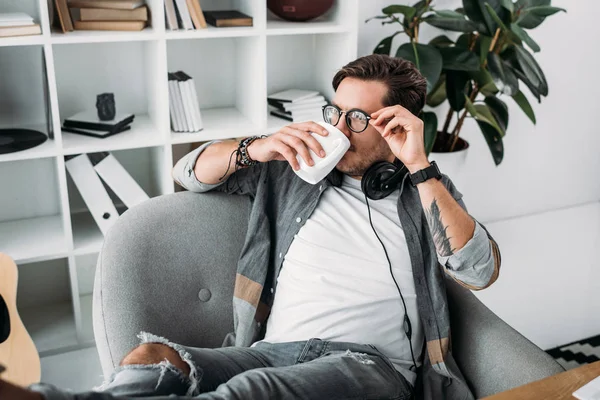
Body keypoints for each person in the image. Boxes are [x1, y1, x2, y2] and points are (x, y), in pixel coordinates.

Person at [2, 54, 500, 400]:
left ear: (397, 124)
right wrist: (254, 147)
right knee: (152, 358)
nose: (337, 129)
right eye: (334, 112)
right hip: (270, 352)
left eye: (356, 119)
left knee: (250, 395)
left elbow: (478, 270)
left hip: (373, 367)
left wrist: (419, 166)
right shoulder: (293, 173)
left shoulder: (425, 189)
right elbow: (186, 173)